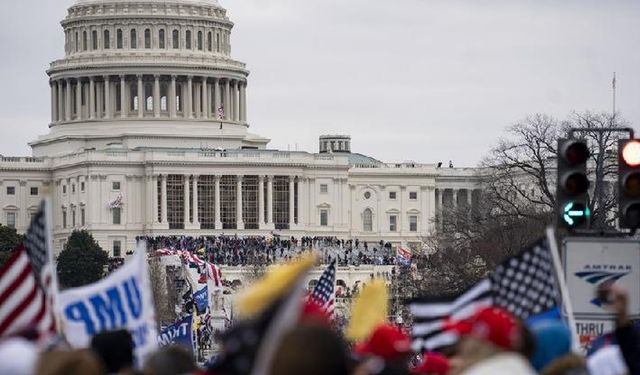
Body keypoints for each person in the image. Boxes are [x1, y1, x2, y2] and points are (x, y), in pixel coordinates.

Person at [446, 306, 536, 375]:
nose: (460, 344)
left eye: (464, 337)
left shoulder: (480, 371)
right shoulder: (520, 365)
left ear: (481, 345)